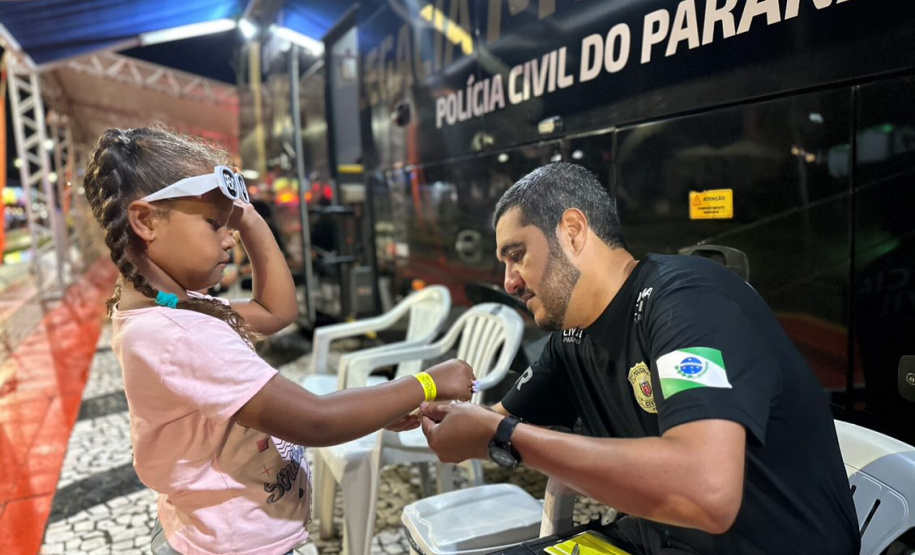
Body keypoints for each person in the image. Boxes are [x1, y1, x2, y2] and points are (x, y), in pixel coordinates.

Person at [420, 163, 860, 555]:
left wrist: (505, 435)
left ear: (572, 230)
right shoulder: (572, 337)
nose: (509, 281)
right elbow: (489, 426)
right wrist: (424, 403)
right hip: (657, 538)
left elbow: (707, 492)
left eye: (517, 255)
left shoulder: (682, 299)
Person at [82, 126, 475, 555]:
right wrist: (427, 383)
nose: (230, 238)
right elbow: (316, 420)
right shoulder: (178, 334)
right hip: (232, 546)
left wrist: (245, 214)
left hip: (220, 533)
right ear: (145, 220)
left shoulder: (175, 308)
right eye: (215, 223)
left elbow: (274, 312)